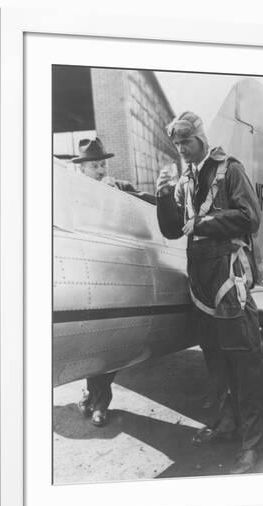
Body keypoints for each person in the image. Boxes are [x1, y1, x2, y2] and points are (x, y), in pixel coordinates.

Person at [155, 112, 263, 474]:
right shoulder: (184, 180)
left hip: (228, 276)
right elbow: (173, 231)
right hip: (200, 277)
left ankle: (251, 445)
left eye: (186, 142)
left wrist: (203, 222)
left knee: (243, 361)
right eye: (177, 144)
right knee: (214, 359)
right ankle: (226, 424)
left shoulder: (229, 169)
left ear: (200, 138)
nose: (182, 149)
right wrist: (163, 196)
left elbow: (250, 218)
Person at [71, 137, 153, 427]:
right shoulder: (71, 195)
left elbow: (146, 203)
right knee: (90, 343)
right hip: (87, 274)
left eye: (102, 164)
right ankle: (91, 394)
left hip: (116, 275)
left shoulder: (117, 188)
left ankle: (99, 402)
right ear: (80, 168)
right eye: (93, 165)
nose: (100, 169)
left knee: (108, 345)